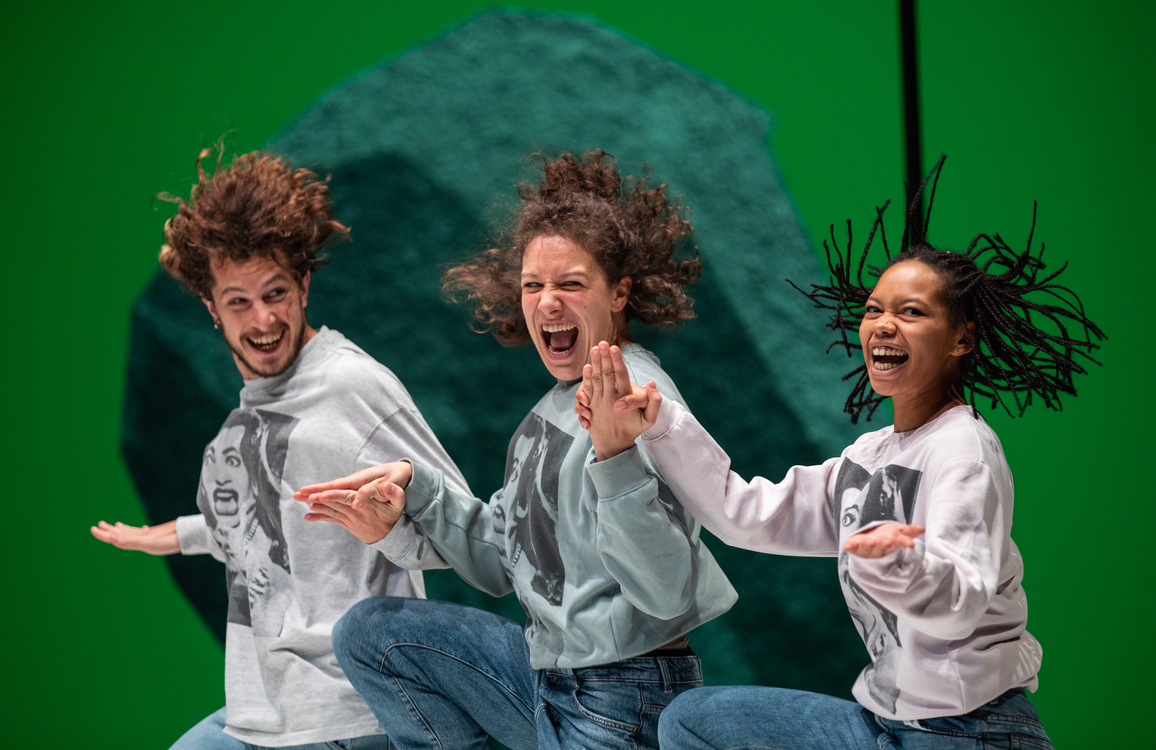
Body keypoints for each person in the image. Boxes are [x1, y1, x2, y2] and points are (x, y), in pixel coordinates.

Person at [574, 159, 1103, 749]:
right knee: (692, 719)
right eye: (874, 309)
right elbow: (744, 514)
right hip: (885, 725)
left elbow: (960, 600)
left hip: (970, 731)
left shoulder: (964, 448)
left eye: (911, 312)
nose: (883, 325)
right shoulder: (868, 457)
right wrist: (659, 422)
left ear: (963, 338)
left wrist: (897, 562)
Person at [295, 151, 738, 750]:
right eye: (534, 285)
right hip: (545, 681)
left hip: (626, 696)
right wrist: (413, 493)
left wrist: (616, 458)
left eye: (570, 284)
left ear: (619, 293)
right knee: (373, 633)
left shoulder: (641, 403)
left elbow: (667, 592)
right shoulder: (543, 417)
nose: (548, 302)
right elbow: (504, 563)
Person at [91, 143, 468, 749]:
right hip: (265, 712)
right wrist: (177, 535)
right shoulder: (248, 416)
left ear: (304, 284)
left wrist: (391, 526)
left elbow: (464, 525)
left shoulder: (349, 383)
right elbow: (267, 526)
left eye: (275, 294)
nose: (263, 320)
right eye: (238, 302)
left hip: (348, 715)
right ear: (212, 308)